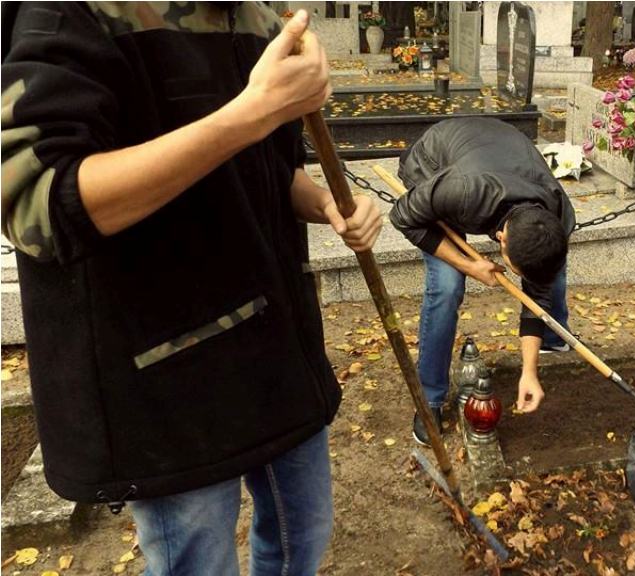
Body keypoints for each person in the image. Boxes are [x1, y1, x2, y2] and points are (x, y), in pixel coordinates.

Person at [1, 4, 382, 575]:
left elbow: (272, 167)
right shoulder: (75, 12)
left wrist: (327, 202)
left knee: (304, 530)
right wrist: (250, 114)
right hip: (168, 375)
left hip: (277, 349)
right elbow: (37, 206)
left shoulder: (258, 18)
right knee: (198, 562)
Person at [389, 117, 575, 445]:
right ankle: (429, 399)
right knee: (447, 285)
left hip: (497, 152)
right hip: (434, 162)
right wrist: (469, 265)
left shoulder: (557, 214)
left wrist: (529, 372)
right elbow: (403, 216)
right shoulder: (460, 191)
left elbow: (537, 292)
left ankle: (552, 337)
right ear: (501, 238)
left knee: (550, 273)